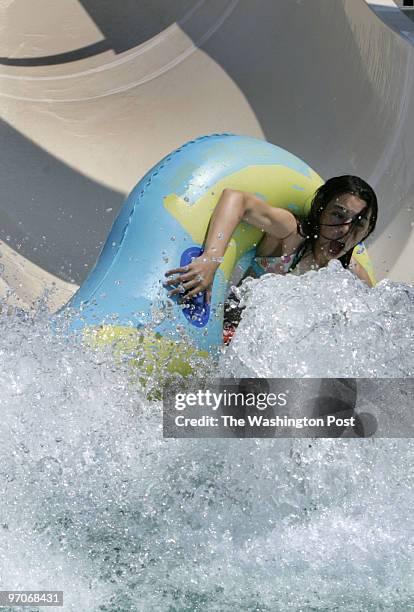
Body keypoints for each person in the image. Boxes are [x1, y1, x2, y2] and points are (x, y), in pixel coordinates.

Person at [164, 175, 378, 343]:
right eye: (338, 215)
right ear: (321, 210)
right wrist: (212, 257)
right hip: (231, 335)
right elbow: (236, 199)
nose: (345, 230)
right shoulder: (292, 236)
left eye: (359, 223)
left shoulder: (351, 275)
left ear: (368, 230)